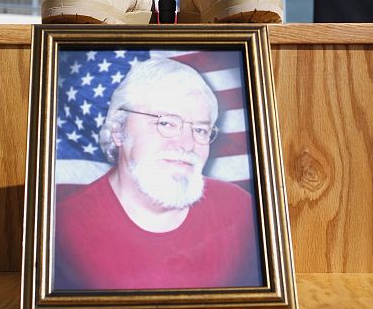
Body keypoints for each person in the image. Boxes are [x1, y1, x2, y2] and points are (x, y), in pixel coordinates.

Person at [54, 57, 262, 291]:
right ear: (119, 131)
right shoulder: (62, 229)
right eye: (166, 124)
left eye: (200, 130)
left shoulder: (240, 212)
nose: (187, 144)